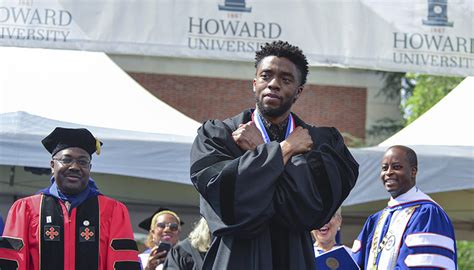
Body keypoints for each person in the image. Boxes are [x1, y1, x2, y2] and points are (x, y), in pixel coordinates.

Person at [190, 40, 359, 270]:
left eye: (286, 79)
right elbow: (231, 208)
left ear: (298, 91)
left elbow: (310, 212)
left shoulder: (321, 144)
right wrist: (284, 150)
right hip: (236, 259)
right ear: (254, 83)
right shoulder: (219, 137)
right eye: (265, 76)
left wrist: (258, 156)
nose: (273, 84)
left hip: (295, 259)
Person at [0, 127, 140, 270]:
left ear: (90, 168)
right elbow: (11, 263)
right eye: (66, 160)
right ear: (52, 166)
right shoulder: (26, 209)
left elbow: (123, 263)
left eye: (82, 162)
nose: (74, 167)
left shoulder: (113, 211)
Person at [352, 145, 457, 269]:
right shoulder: (375, 220)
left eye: (396, 167)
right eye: (384, 168)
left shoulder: (428, 215)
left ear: (413, 171)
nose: (389, 172)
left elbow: (422, 265)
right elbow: (355, 263)